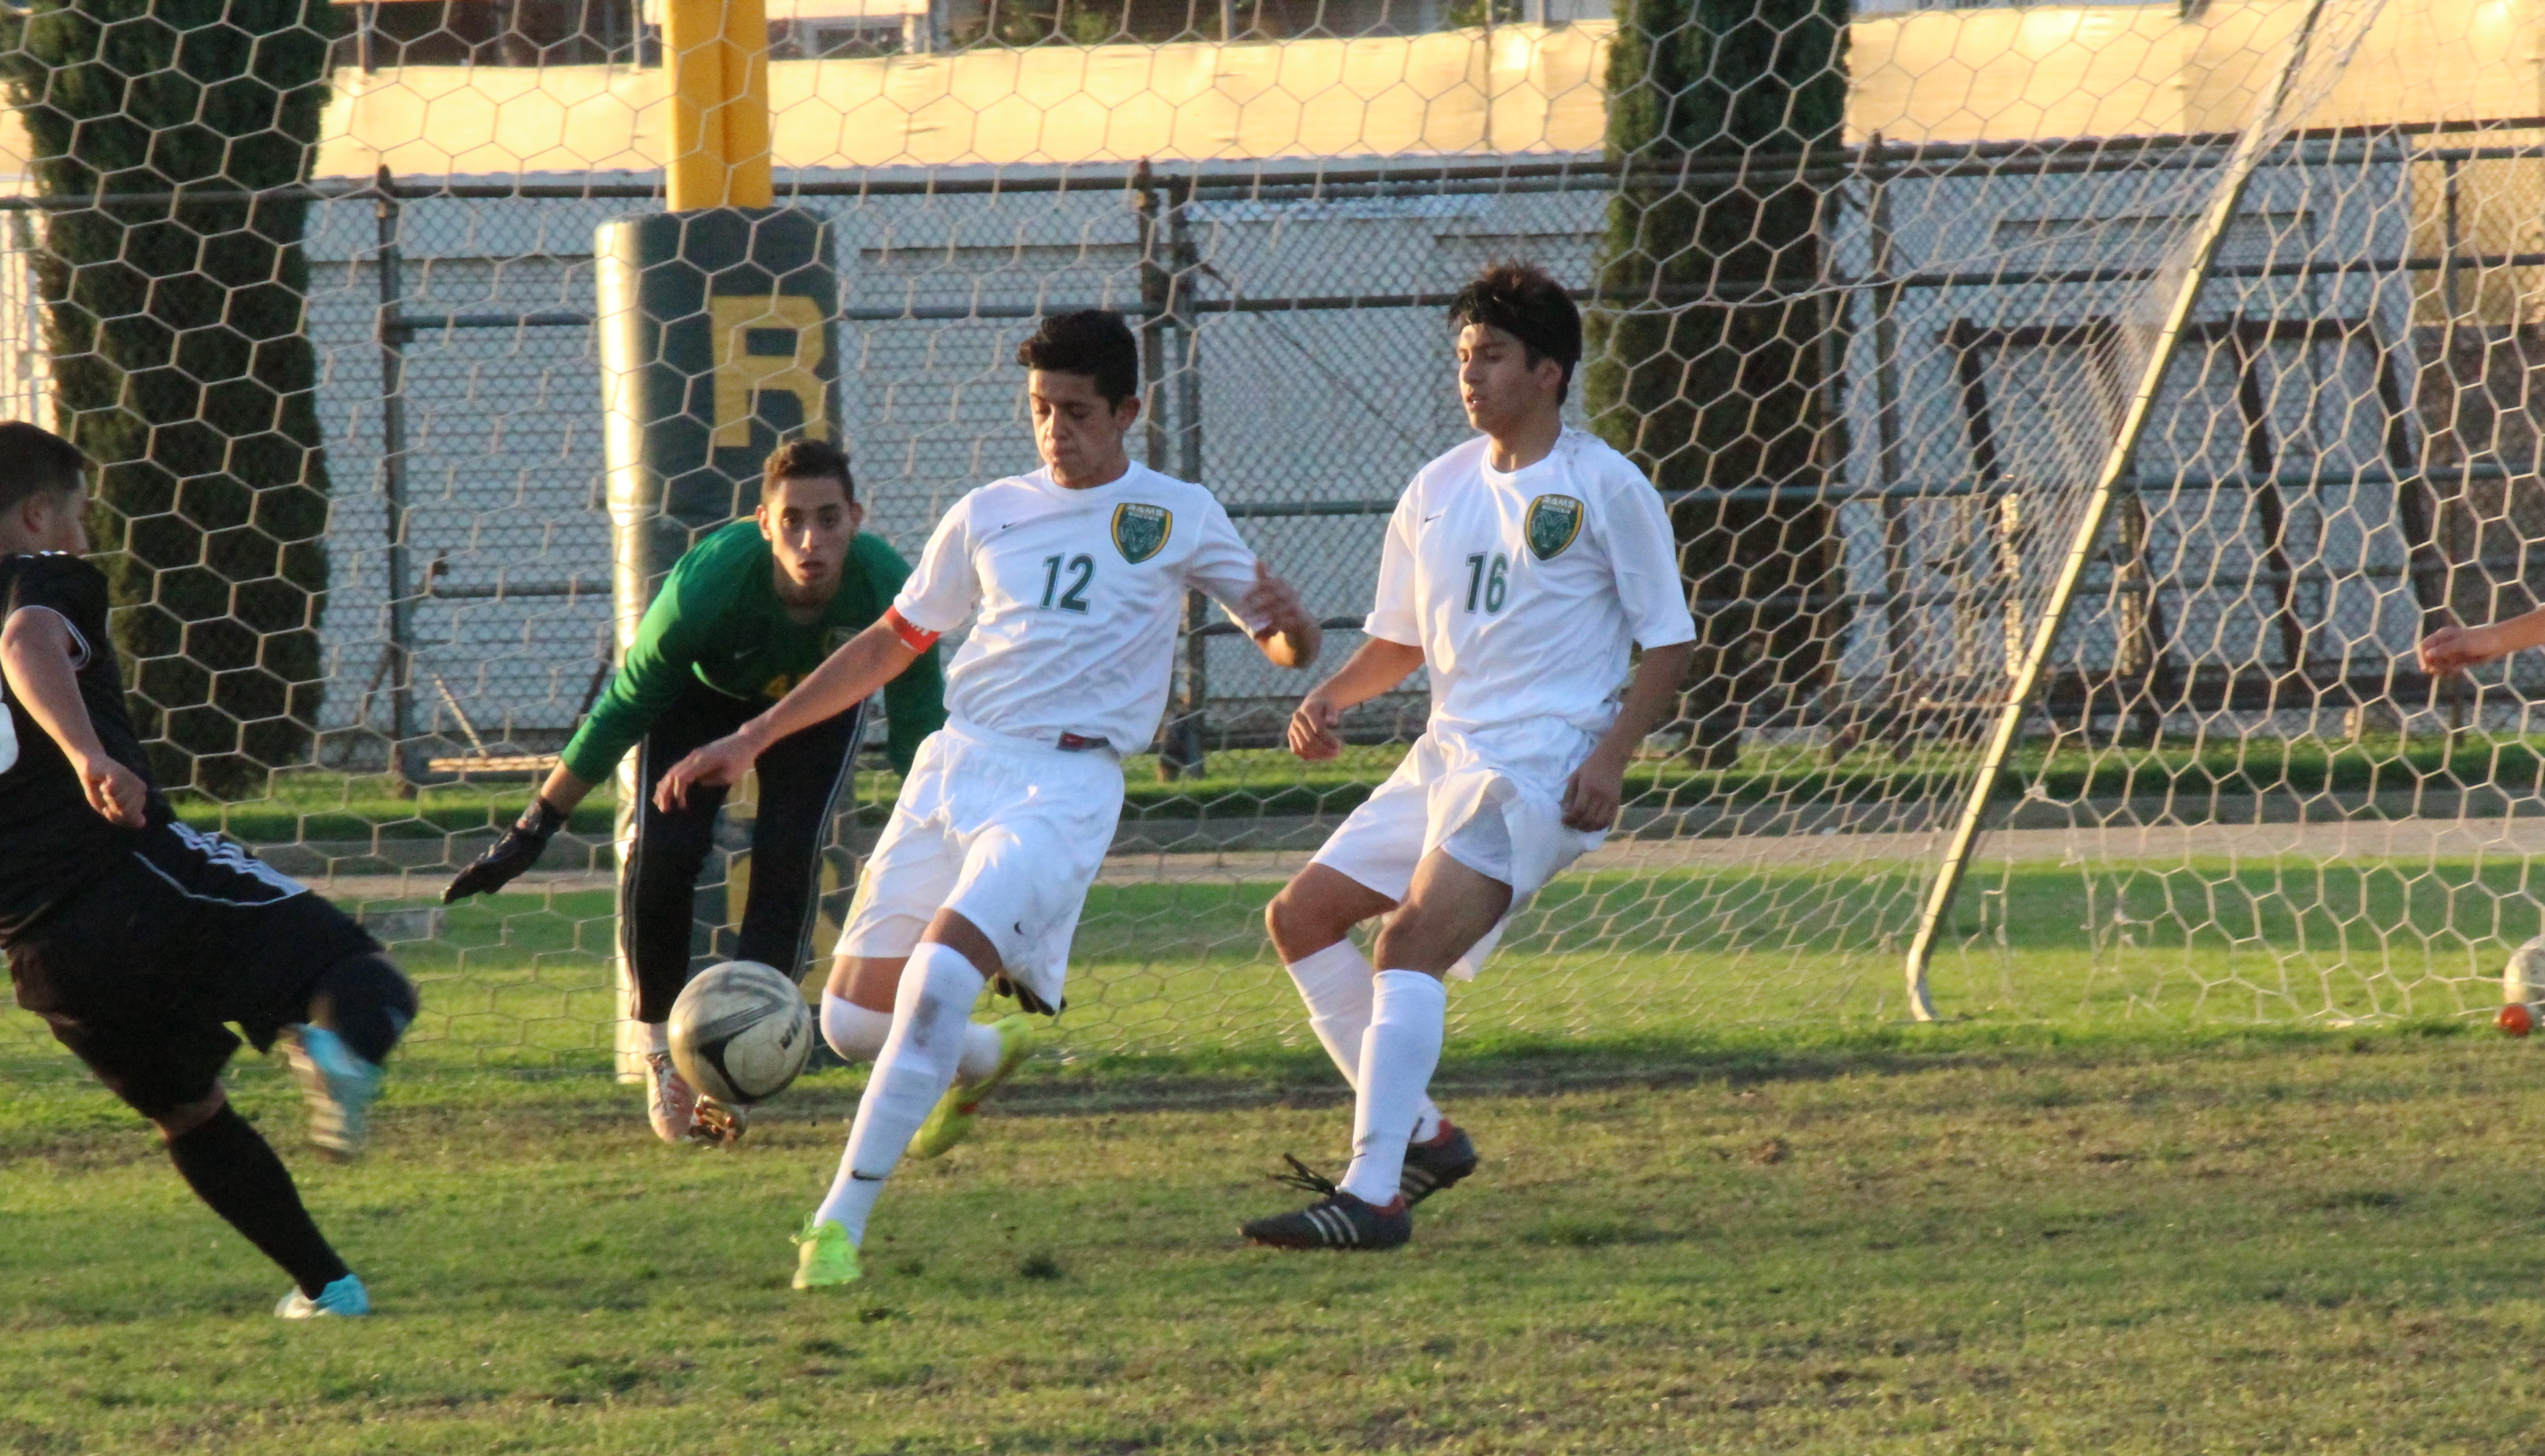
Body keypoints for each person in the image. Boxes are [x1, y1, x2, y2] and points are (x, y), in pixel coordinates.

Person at [657, 309, 1323, 1288]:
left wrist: (1292, 635)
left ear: (1129, 411)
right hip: (955, 765)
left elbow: (1278, 641)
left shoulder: (1177, 512)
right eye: (1042, 410)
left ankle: (838, 1223)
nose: (1056, 430)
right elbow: (891, 642)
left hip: (1064, 787)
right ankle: (981, 1057)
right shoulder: (986, 511)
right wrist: (752, 737)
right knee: (849, 1023)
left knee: (935, 980)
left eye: (1079, 412)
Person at [1242, 261, 1698, 1252]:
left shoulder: (1605, 486)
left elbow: (1670, 642)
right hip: (1447, 754)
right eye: (1462, 357)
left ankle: (1373, 1196)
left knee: (1407, 946)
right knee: (1301, 919)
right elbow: (1403, 640)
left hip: (1541, 765)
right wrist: (1329, 694)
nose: (1470, 375)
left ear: (1549, 371)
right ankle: (1422, 1136)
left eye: (1491, 356)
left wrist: (1612, 759)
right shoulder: (1437, 489)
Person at [0, 421, 416, 1317]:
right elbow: (27, 642)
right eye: (78, 516)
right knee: (362, 977)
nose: (84, 538)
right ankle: (338, 1053)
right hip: (134, 875)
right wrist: (84, 755)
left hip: (41, 954)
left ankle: (329, 1288)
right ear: (38, 513)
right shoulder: (42, 581)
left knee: (189, 1113)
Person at [445, 439, 946, 1144]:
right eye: (793, 520)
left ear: (856, 518)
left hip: (811, 713)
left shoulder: (887, 588)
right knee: (666, 850)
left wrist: (950, 840)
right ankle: (663, 1049)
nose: (812, 540)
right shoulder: (707, 587)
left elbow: (922, 734)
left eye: (829, 519)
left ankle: (746, 1064)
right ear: (763, 524)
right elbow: (621, 709)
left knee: (789, 853)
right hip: (698, 703)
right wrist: (535, 826)